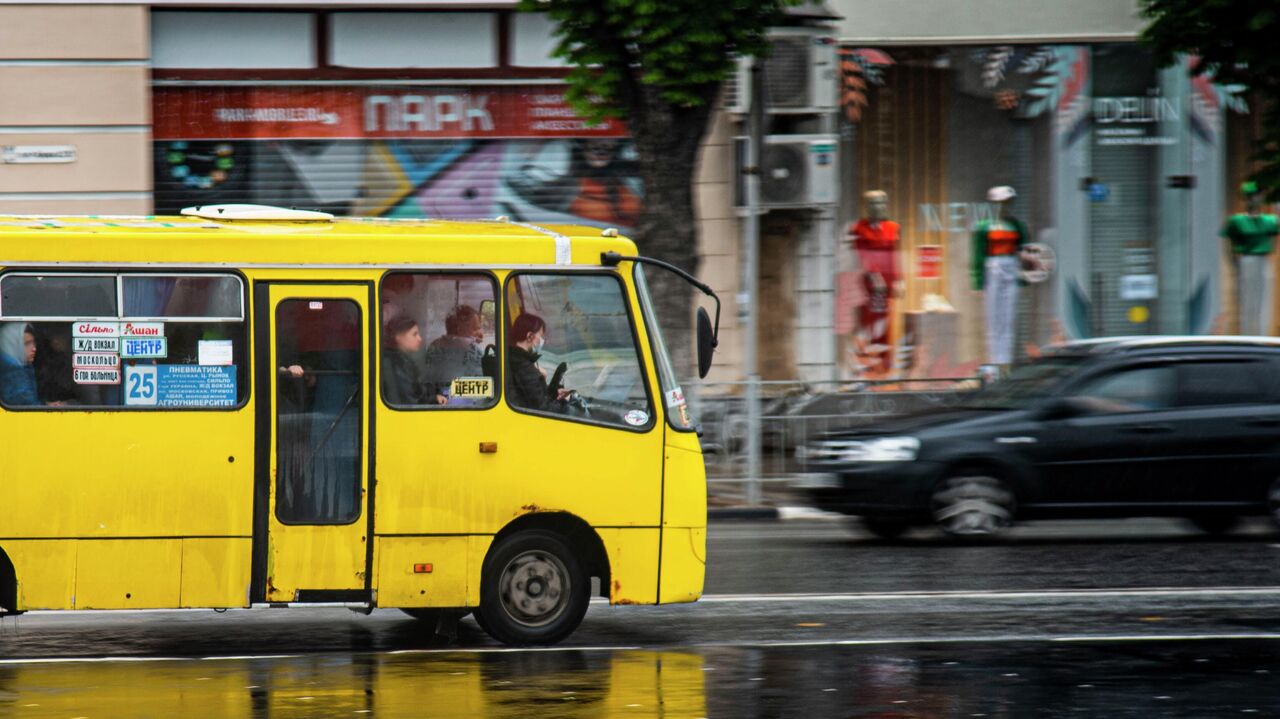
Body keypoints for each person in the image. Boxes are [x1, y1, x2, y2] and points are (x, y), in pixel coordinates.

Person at [507, 312, 571, 412]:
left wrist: (555, 393)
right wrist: (565, 401)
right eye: (540, 336)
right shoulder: (523, 366)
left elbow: (535, 396)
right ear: (530, 336)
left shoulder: (515, 358)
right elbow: (543, 408)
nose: (542, 340)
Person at [382, 315, 446, 406]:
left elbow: (418, 389)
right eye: (414, 334)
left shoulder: (404, 360)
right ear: (398, 337)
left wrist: (435, 395)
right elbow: (407, 400)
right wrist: (433, 400)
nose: (420, 339)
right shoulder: (393, 365)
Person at [0, 322, 41, 406]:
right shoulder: (12, 372)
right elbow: (27, 405)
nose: (34, 348)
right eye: (27, 344)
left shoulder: (21, 367)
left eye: (34, 343)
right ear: (11, 345)